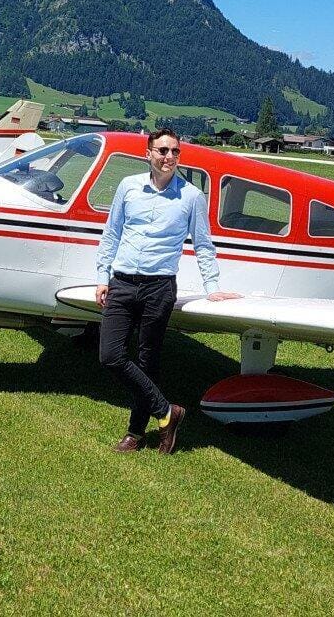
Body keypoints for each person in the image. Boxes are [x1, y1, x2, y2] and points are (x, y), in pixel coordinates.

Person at [94, 128, 240, 454]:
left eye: (174, 151)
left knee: (148, 362)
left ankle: (135, 434)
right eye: (162, 151)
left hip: (159, 288)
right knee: (111, 356)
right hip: (122, 282)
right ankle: (166, 411)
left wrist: (212, 287)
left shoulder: (190, 197)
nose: (169, 157)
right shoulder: (128, 187)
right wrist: (103, 277)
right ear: (148, 154)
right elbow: (111, 234)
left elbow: (203, 245)